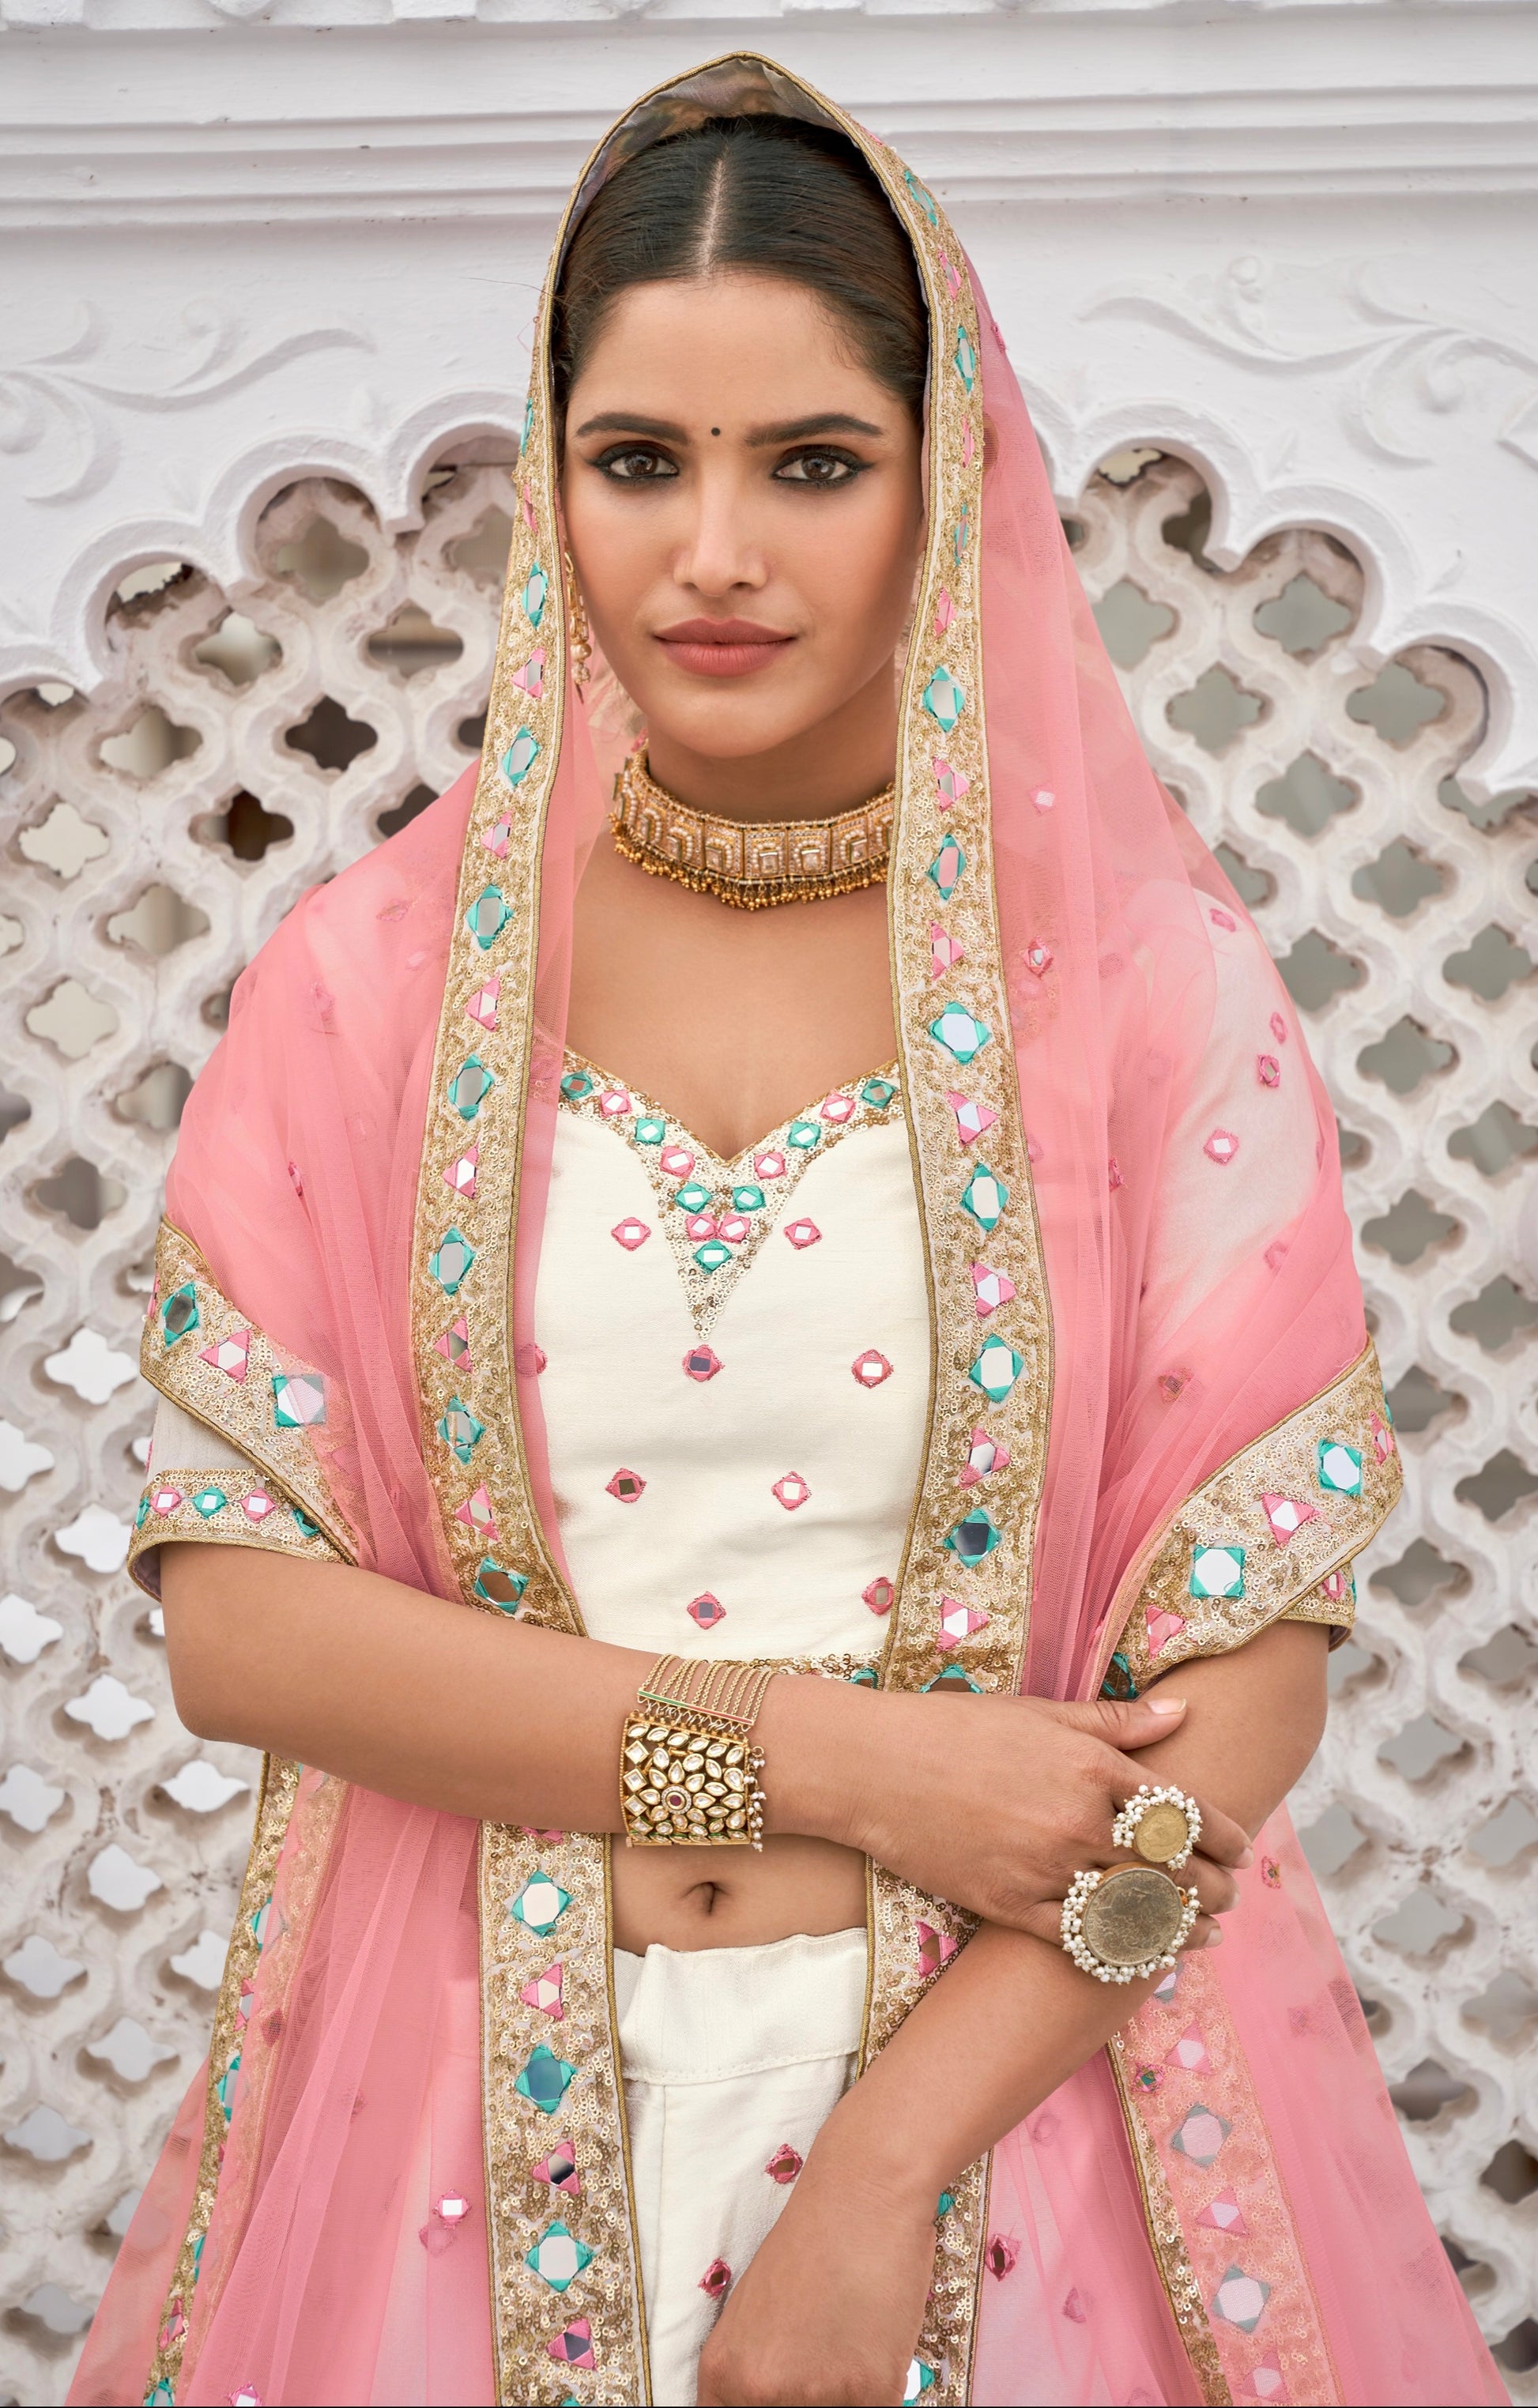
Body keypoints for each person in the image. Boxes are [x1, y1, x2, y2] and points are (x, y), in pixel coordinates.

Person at [70, 53, 1504, 2408]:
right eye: (639, 461)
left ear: (947, 495)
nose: (710, 551)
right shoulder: (371, 981)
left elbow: (1237, 1690)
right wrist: (844, 1762)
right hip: (456, 2128)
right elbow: (246, 1621)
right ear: (551, 486)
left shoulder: (1145, 998)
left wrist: (875, 2187)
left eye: (809, 465)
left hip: (1015, 2147)